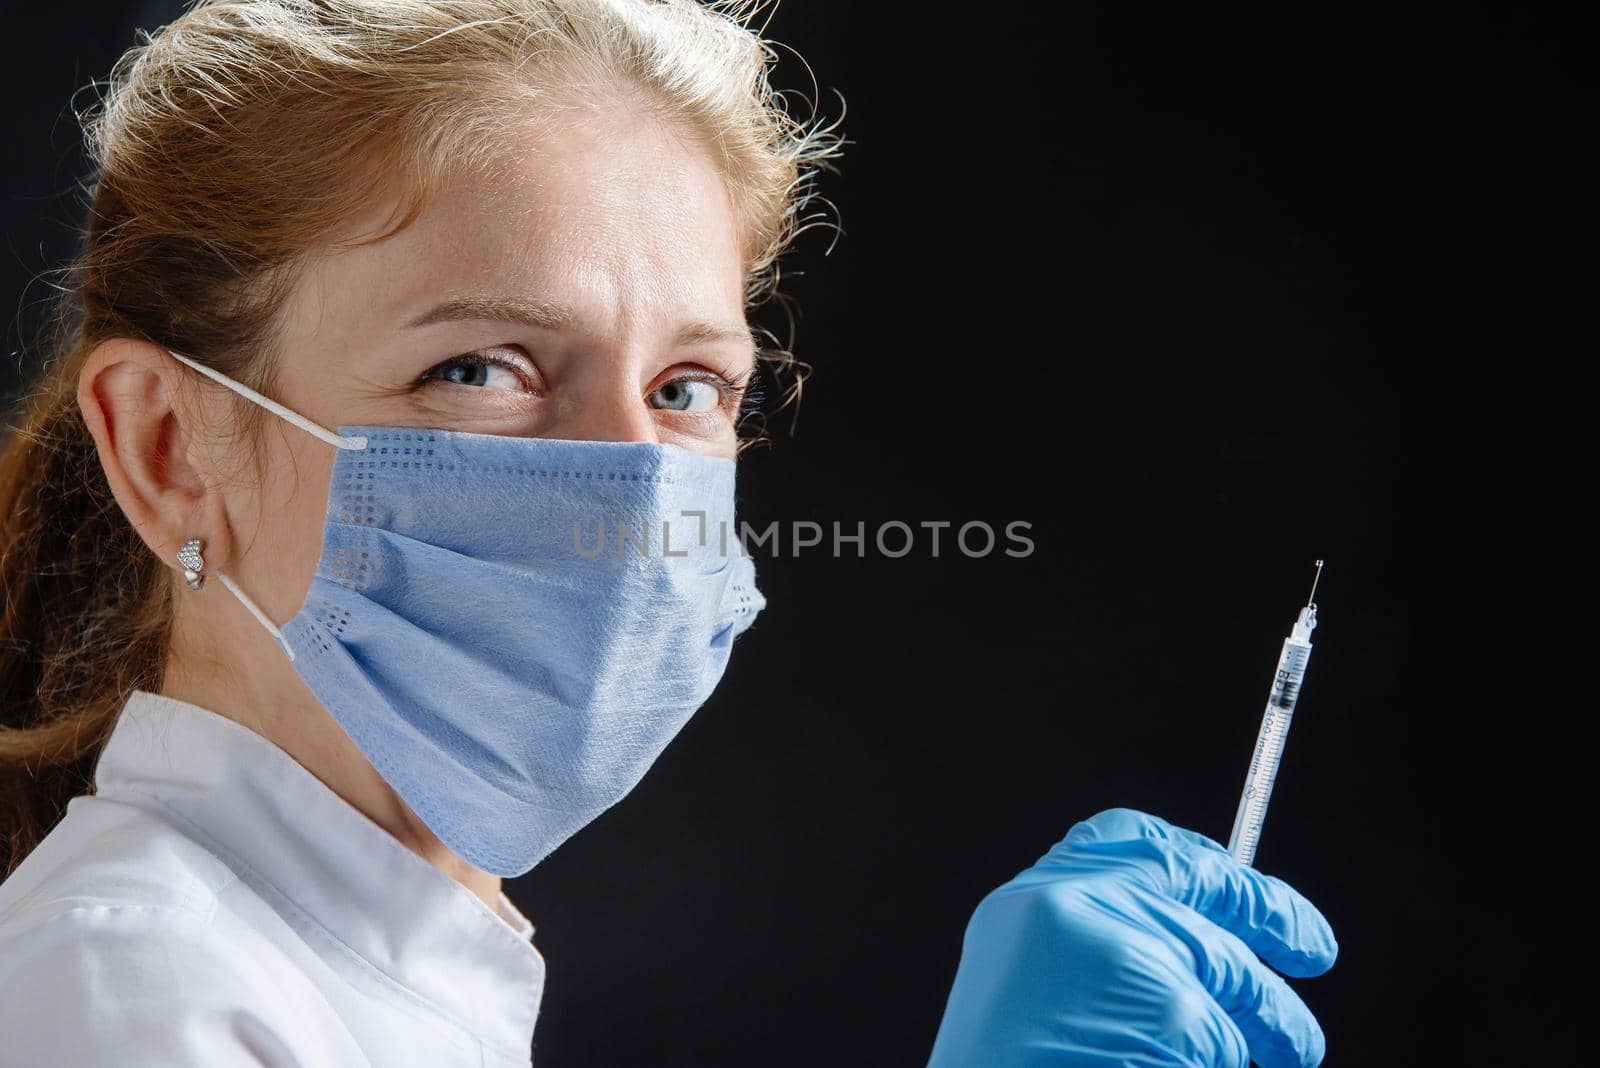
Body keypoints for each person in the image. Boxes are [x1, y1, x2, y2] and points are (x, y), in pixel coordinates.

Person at [0, 2, 1336, 1065]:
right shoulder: (128, 1001)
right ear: (173, 449)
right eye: (482, 367)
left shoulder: (374, 961)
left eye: (685, 388)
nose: (632, 486)